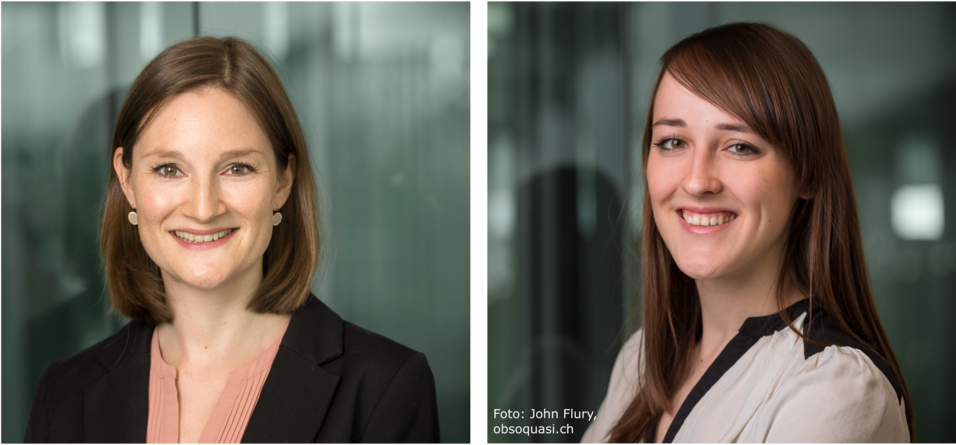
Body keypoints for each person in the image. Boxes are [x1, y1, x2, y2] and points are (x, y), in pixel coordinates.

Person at [23, 36, 440, 444]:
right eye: (169, 169)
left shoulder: (383, 389)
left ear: (282, 181)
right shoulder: (63, 394)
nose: (204, 208)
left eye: (237, 168)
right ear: (127, 181)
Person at [580, 23, 913, 443]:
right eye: (672, 142)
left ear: (807, 174)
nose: (698, 181)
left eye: (740, 146)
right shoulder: (642, 360)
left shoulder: (836, 389)